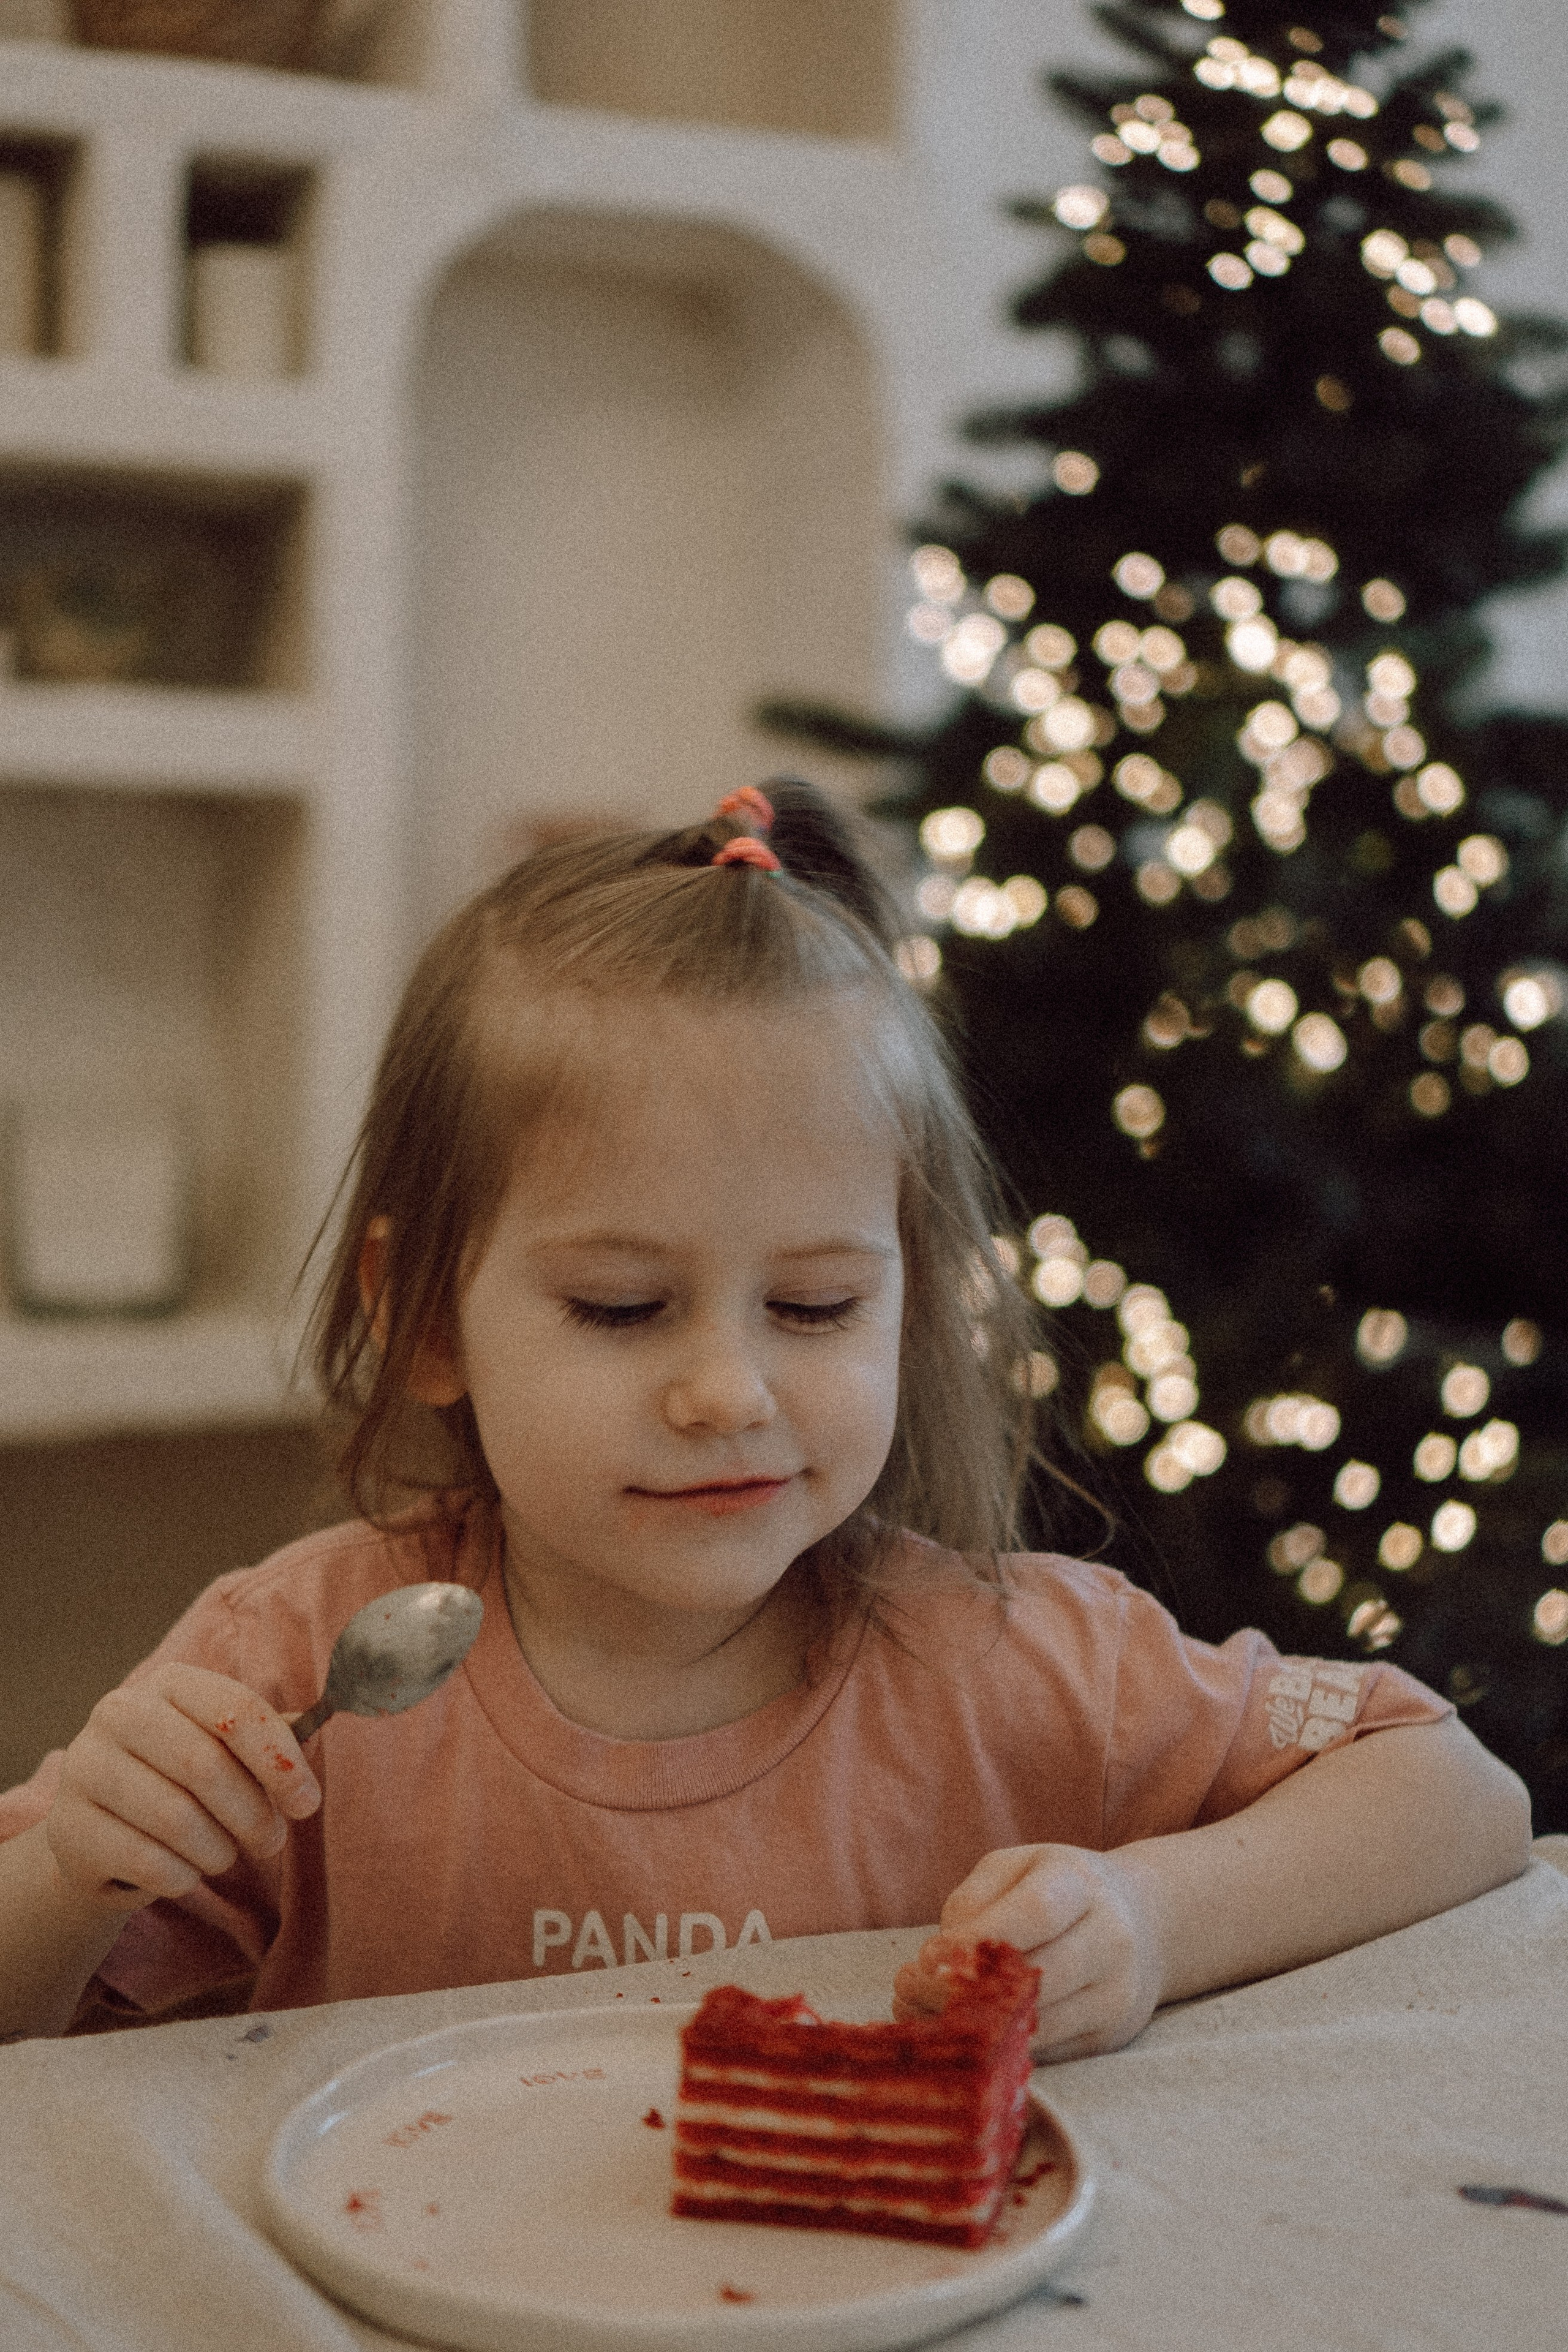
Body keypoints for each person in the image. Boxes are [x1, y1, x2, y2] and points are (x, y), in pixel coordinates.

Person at [0, 782, 1531, 2046]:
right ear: (423, 1317)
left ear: (910, 1302)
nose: (727, 1392)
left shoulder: (1009, 1667)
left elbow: (1451, 1788)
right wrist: (79, 1872)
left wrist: (1148, 1917)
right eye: (619, 1306)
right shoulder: (291, 1669)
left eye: (813, 1309)